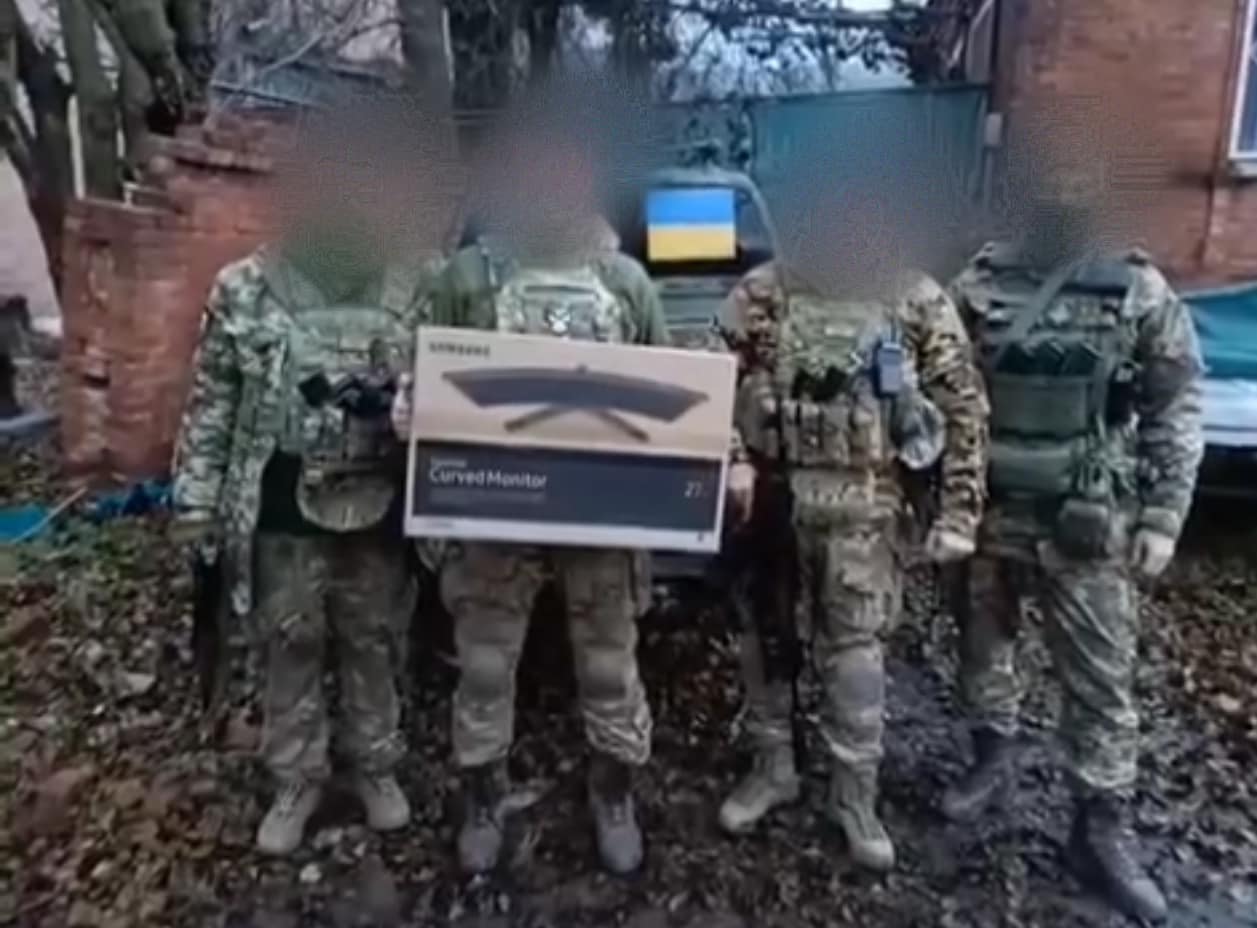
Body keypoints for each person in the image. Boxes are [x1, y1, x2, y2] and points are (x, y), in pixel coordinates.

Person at [171, 99, 446, 856]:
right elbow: (212, 404)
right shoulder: (245, 289)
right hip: (280, 509)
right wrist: (196, 506)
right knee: (288, 641)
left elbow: (455, 393)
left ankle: (376, 765)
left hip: (378, 502)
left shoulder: (419, 285)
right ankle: (296, 778)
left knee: (373, 638)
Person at [395, 118, 669, 876]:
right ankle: (483, 800)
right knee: (484, 669)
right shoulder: (466, 277)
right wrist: (410, 408)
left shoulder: (626, 282)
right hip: (494, 511)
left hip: (600, 516)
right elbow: (421, 371)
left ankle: (614, 796)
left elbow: (670, 395)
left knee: (609, 668)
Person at [943, 155, 1204, 921]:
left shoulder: (1135, 288)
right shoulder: (978, 283)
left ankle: (1099, 830)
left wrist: (1162, 516)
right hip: (990, 513)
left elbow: (1174, 404)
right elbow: (944, 389)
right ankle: (991, 756)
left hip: (1084, 520)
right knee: (980, 649)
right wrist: (941, 501)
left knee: (1099, 680)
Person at [714, 226, 989, 871]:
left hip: (866, 507)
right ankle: (773, 768)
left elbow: (964, 407)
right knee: (764, 638)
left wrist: (959, 512)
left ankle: (854, 796)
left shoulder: (913, 297)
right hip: (775, 502)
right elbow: (708, 380)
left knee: (856, 654)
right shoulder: (764, 290)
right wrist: (734, 458)